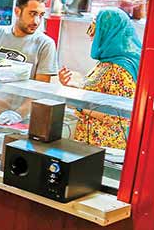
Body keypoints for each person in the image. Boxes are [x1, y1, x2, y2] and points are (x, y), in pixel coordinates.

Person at [58, 8, 141, 148]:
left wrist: (80, 106)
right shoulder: (106, 63)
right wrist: (71, 88)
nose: (91, 34)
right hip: (89, 144)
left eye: (95, 28)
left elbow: (119, 116)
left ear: (109, 32)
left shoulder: (120, 69)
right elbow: (98, 96)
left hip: (105, 148)